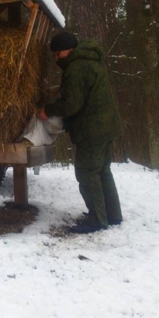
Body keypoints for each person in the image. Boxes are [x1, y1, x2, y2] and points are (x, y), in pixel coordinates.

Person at [38, 31, 123, 234]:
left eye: (59, 53)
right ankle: (112, 215)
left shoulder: (76, 68)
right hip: (107, 126)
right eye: (55, 55)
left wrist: (47, 111)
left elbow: (72, 104)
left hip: (92, 131)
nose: (57, 58)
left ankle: (96, 219)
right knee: (102, 171)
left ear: (71, 49)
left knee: (86, 172)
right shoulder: (92, 61)